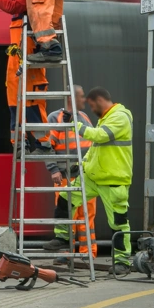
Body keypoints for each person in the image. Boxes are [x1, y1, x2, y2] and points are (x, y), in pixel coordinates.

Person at [54, 87, 133, 275]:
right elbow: (96, 149)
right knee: (65, 197)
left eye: (91, 105)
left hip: (113, 179)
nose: (90, 109)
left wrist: (76, 124)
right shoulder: (106, 118)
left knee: (118, 223)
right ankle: (63, 238)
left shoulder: (120, 117)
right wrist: (80, 165)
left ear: (99, 100)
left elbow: (99, 136)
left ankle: (122, 262)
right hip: (93, 176)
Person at [0, 0, 50, 155]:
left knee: (31, 104)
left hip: (28, 63)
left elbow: (10, 6)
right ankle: (20, 142)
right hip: (18, 61)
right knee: (15, 103)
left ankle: (42, 143)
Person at [44, 84, 97, 260]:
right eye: (82, 97)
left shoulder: (83, 117)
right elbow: (46, 147)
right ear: (71, 98)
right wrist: (54, 169)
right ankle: (67, 254)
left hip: (85, 176)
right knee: (68, 215)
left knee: (86, 216)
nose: (85, 100)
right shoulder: (55, 118)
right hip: (66, 176)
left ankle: (87, 253)